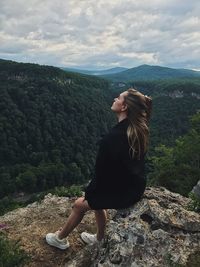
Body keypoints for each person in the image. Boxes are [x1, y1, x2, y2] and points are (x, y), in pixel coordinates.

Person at [46, 88, 152, 250]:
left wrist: (89, 193)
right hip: (134, 187)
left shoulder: (112, 138)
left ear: (124, 107)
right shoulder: (137, 130)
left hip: (124, 193)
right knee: (97, 202)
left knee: (79, 205)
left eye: (118, 98)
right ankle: (100, 238)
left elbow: (101, 173)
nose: (114, 99)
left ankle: (59, 239)